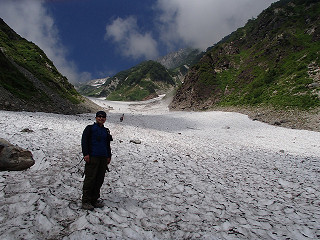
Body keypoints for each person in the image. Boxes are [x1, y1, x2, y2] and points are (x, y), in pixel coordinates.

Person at [81, 110, 113, 210]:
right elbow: (84, 141)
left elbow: (107, 144)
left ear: (105, 119)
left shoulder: (106, 131)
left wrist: (109, 156)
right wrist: (86, 154)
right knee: (90, 179)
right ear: (96, 118)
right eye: (99, 116)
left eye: (103, 117)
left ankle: (94, 199)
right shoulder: (89, 128)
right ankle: (86, 201)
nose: (101, 118)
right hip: (93, 157)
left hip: (103, 158)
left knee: (99, 179)